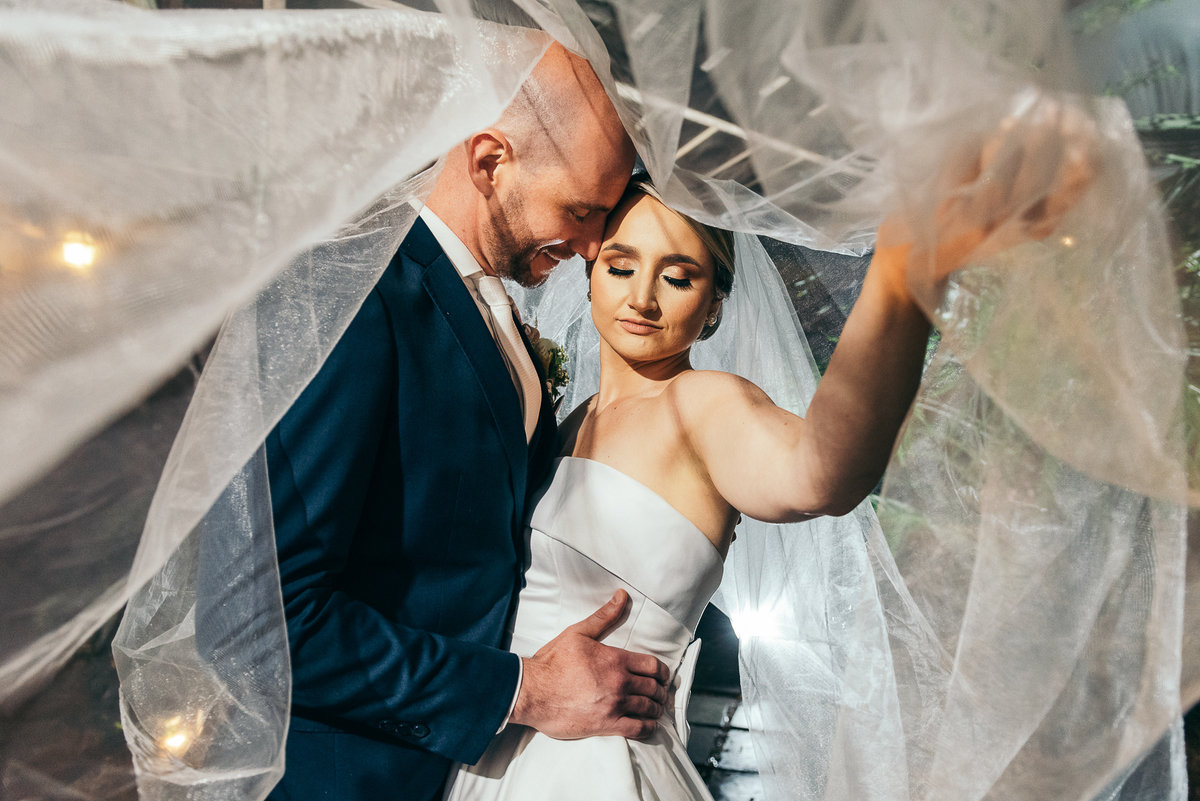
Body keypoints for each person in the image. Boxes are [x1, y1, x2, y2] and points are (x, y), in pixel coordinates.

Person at [447, 154, 1090, 800]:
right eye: (620, 267)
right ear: (589, 275)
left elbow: (821, 472)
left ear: (715, 306)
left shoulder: (702, 406)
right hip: (496, 744)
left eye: (678, 277)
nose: (642, 298)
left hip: (594, 771)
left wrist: (902, 273)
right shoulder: (564, 419)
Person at [263, 43, 671, 801]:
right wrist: (523, 690)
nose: (592, 246)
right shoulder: (357, 296)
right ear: (490, 161)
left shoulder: (494, 310)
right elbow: (268, 621)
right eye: (581, 211)